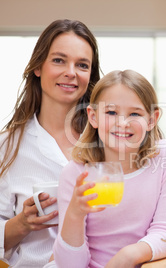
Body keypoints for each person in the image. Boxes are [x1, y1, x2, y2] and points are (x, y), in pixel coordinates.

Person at [52, 70, 166, 267]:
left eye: (135, 114)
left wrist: (127, 256)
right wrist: (75, 214)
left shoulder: (165, 156)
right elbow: (71, 264)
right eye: (111, 112)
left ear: (152, 120)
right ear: (93, 117)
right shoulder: (76, 173)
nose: (122, 123)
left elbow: (164, 232)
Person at [0, 19, 101, 267]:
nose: (71, 72)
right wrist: (22, 223)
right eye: (59, 60)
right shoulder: (8, 146)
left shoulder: (107, 139)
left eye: (82, 65)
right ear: (38, 67)